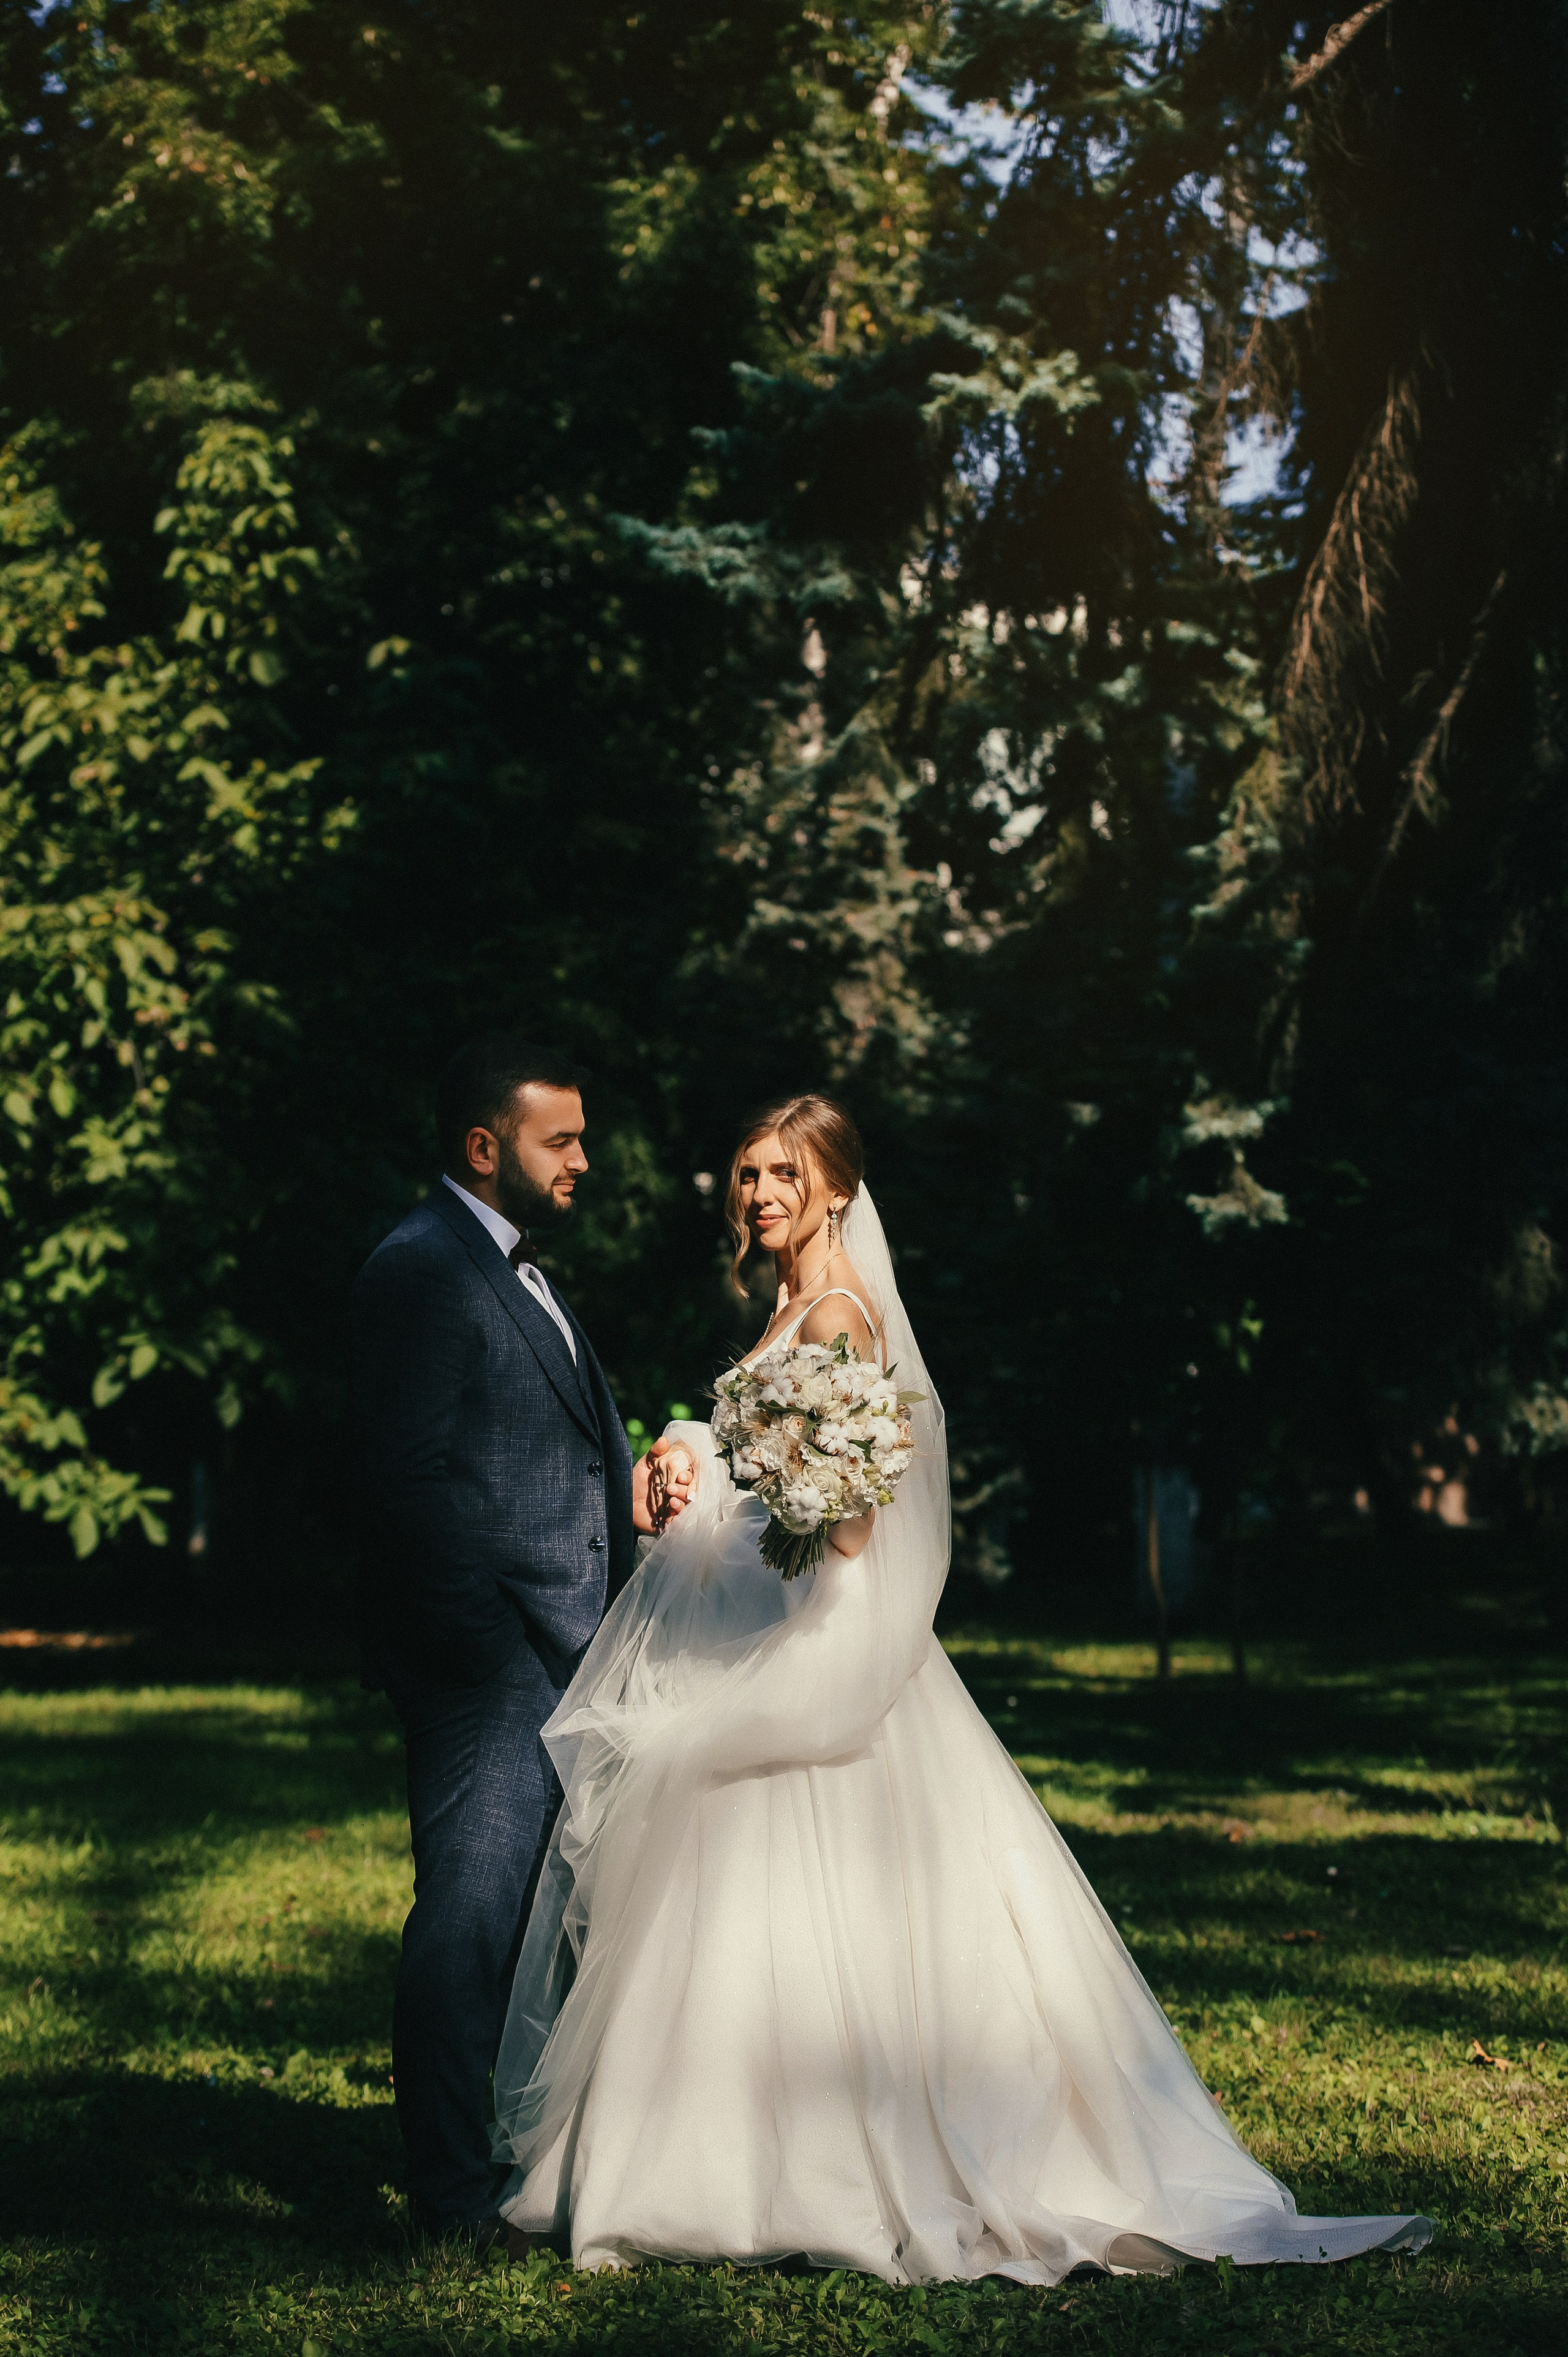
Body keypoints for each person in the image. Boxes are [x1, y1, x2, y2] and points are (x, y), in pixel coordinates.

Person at [491, 1091, 1431, 2283]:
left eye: (782, 1173)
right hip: (758, 1619)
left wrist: (749, 1488)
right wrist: (691, 1449)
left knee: (757, 1836)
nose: (760, 1193)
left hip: (820, 1640)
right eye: (744, 1175)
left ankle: (809, 2171)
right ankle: (720, 2168)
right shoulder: (787, 1309)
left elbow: (844, 1534)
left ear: (834, 1186)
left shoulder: (841, 1317)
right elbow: (764, 1473)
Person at [350, 1036, 691, 2245]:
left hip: (562, 1655)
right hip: (492, 1670)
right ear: (483, 1147)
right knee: (469, 1920)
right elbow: (398, 1483)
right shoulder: (422, 1266)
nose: (585, 1160)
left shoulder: (516, 1269)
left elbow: (530, 1456)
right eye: (563, 1139)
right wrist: (478, 1650)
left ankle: (519, 2150)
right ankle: (451, 2193)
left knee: (534, 1921)